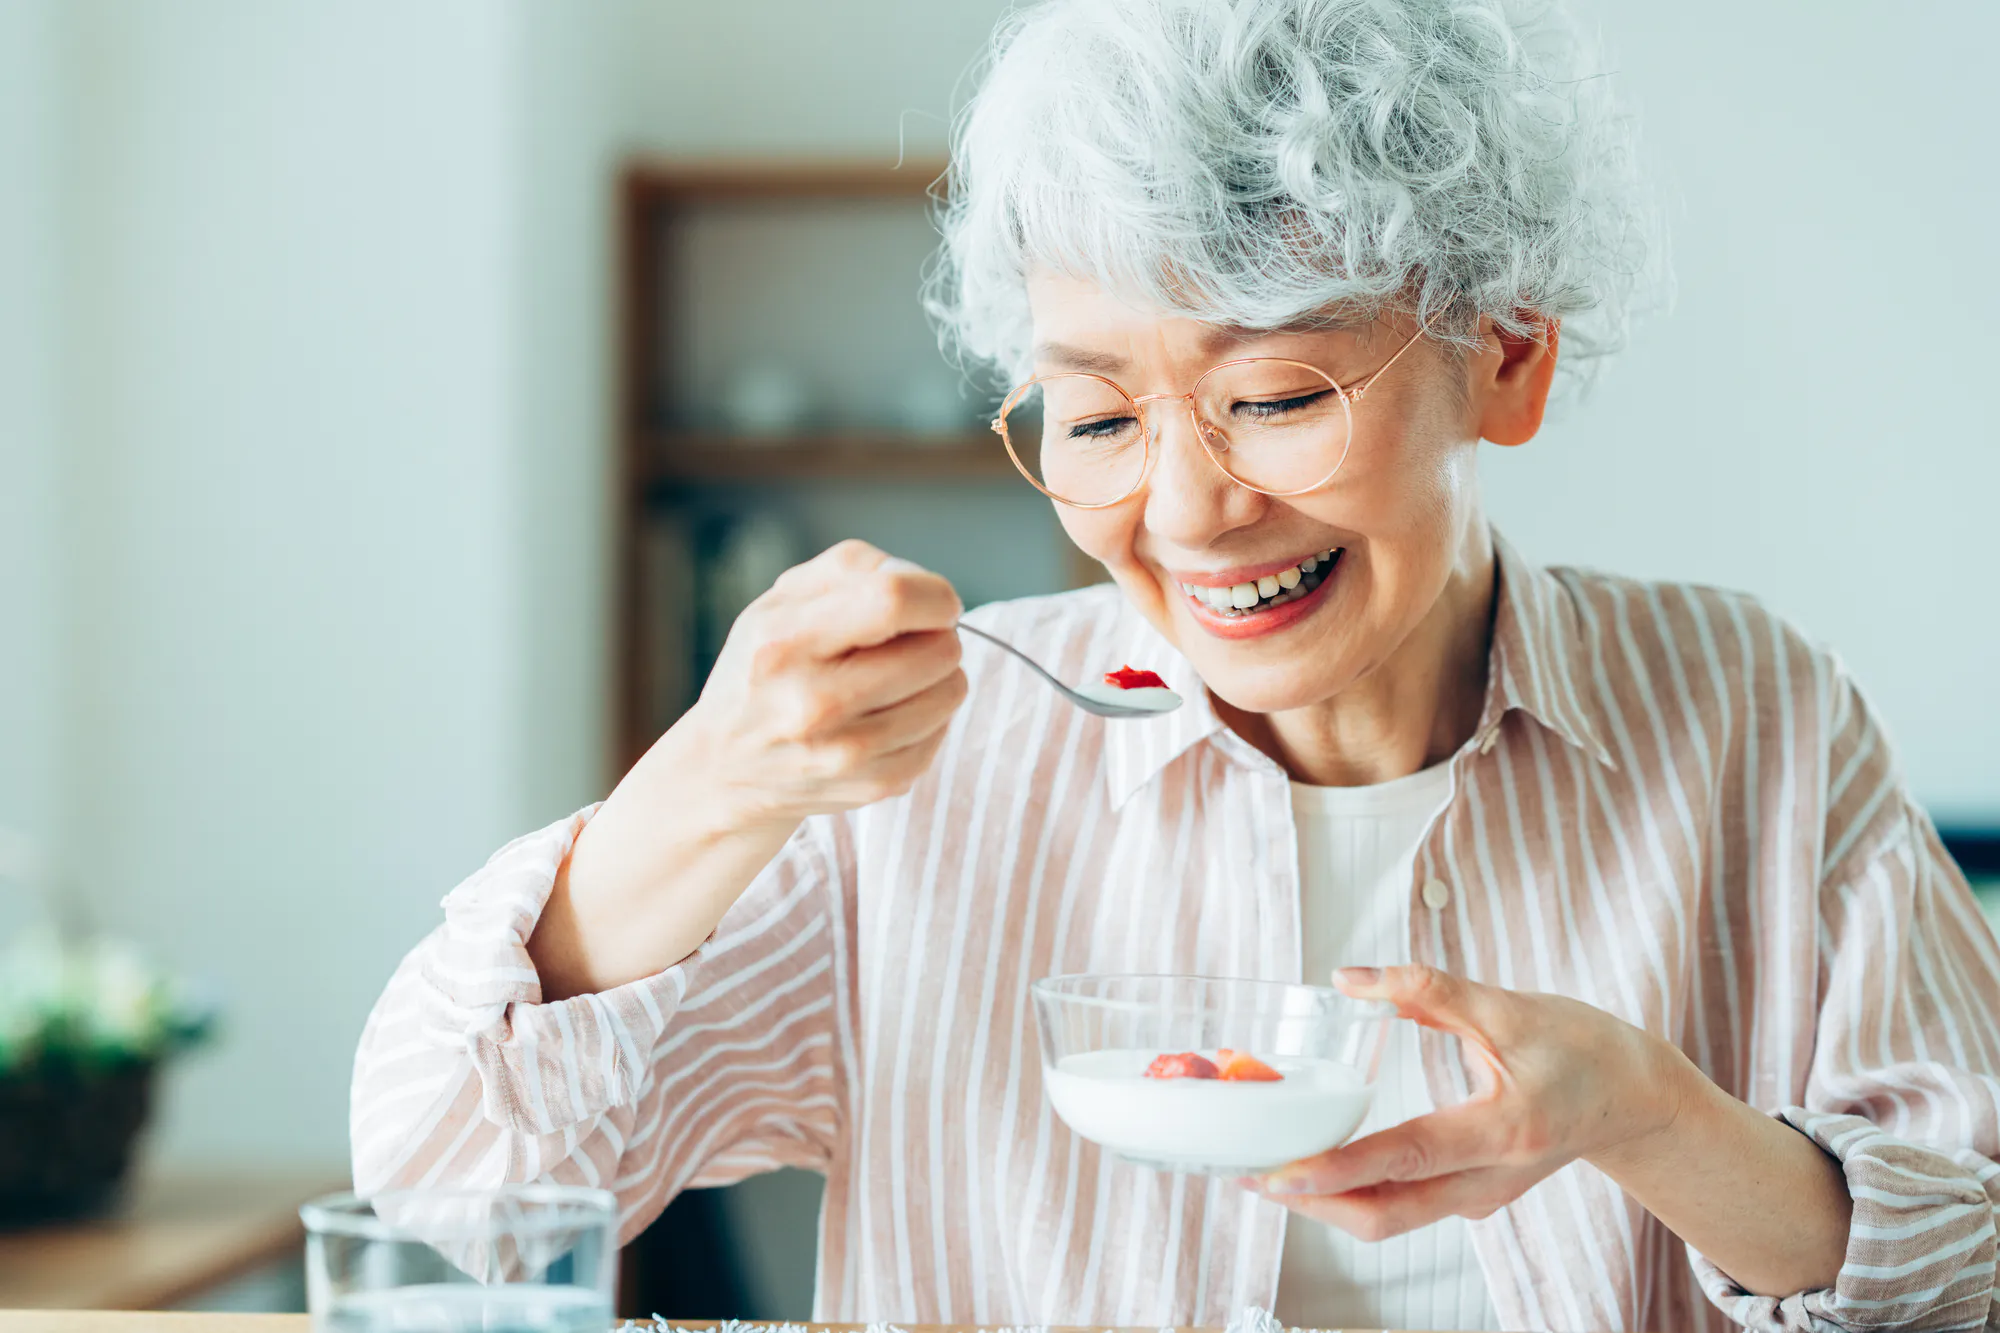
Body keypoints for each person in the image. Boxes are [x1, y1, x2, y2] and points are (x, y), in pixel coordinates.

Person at [350, 0, 2000, 1328]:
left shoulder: (1752, 715)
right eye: (1098, 417)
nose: (1191, 510)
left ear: (1505, 357)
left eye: (1275, 398)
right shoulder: (948, 758)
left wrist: (1656, 1119)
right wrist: (700, 791)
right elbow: (453, 1198)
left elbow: (1974, 1265)